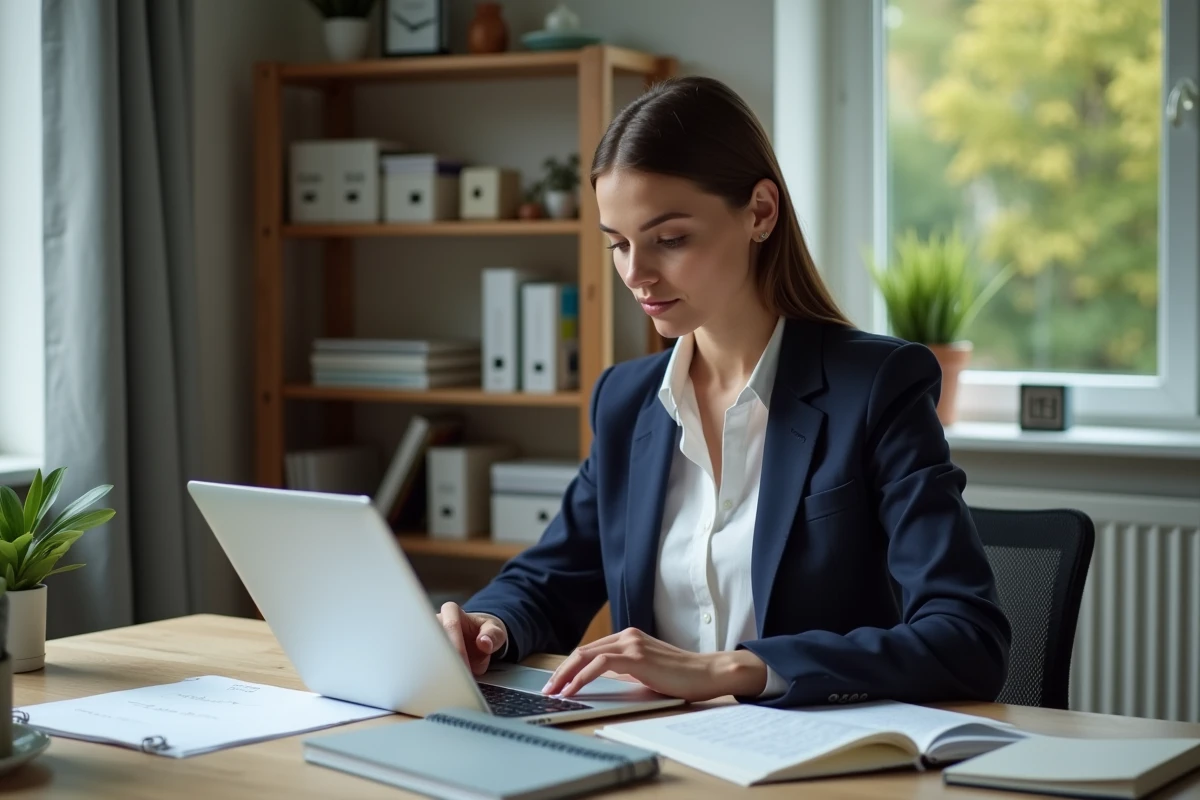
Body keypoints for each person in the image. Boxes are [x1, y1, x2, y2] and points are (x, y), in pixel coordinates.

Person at [437, 76, 1011, 709]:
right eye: (619, 244)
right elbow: (551, 577)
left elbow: (966, 639)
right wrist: (490, 625)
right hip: (656, 747)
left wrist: (736, 669)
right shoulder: (627, 401)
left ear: (760, 212)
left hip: (813, 748)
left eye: (669, 239)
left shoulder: (876, 387)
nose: (635, 273)